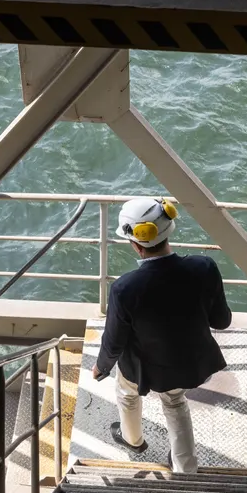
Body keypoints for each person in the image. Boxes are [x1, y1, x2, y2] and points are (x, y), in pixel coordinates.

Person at [91, 197, 232, 473]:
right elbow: (222, 321)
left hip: (141, 369)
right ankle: (185, 467)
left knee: (127, 394)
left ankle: (133, 440)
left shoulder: (125, 288)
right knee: (176, 402)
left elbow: (114, 341)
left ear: (135, 243)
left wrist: (101, 367)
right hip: (186, 363)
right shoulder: (204, 267)